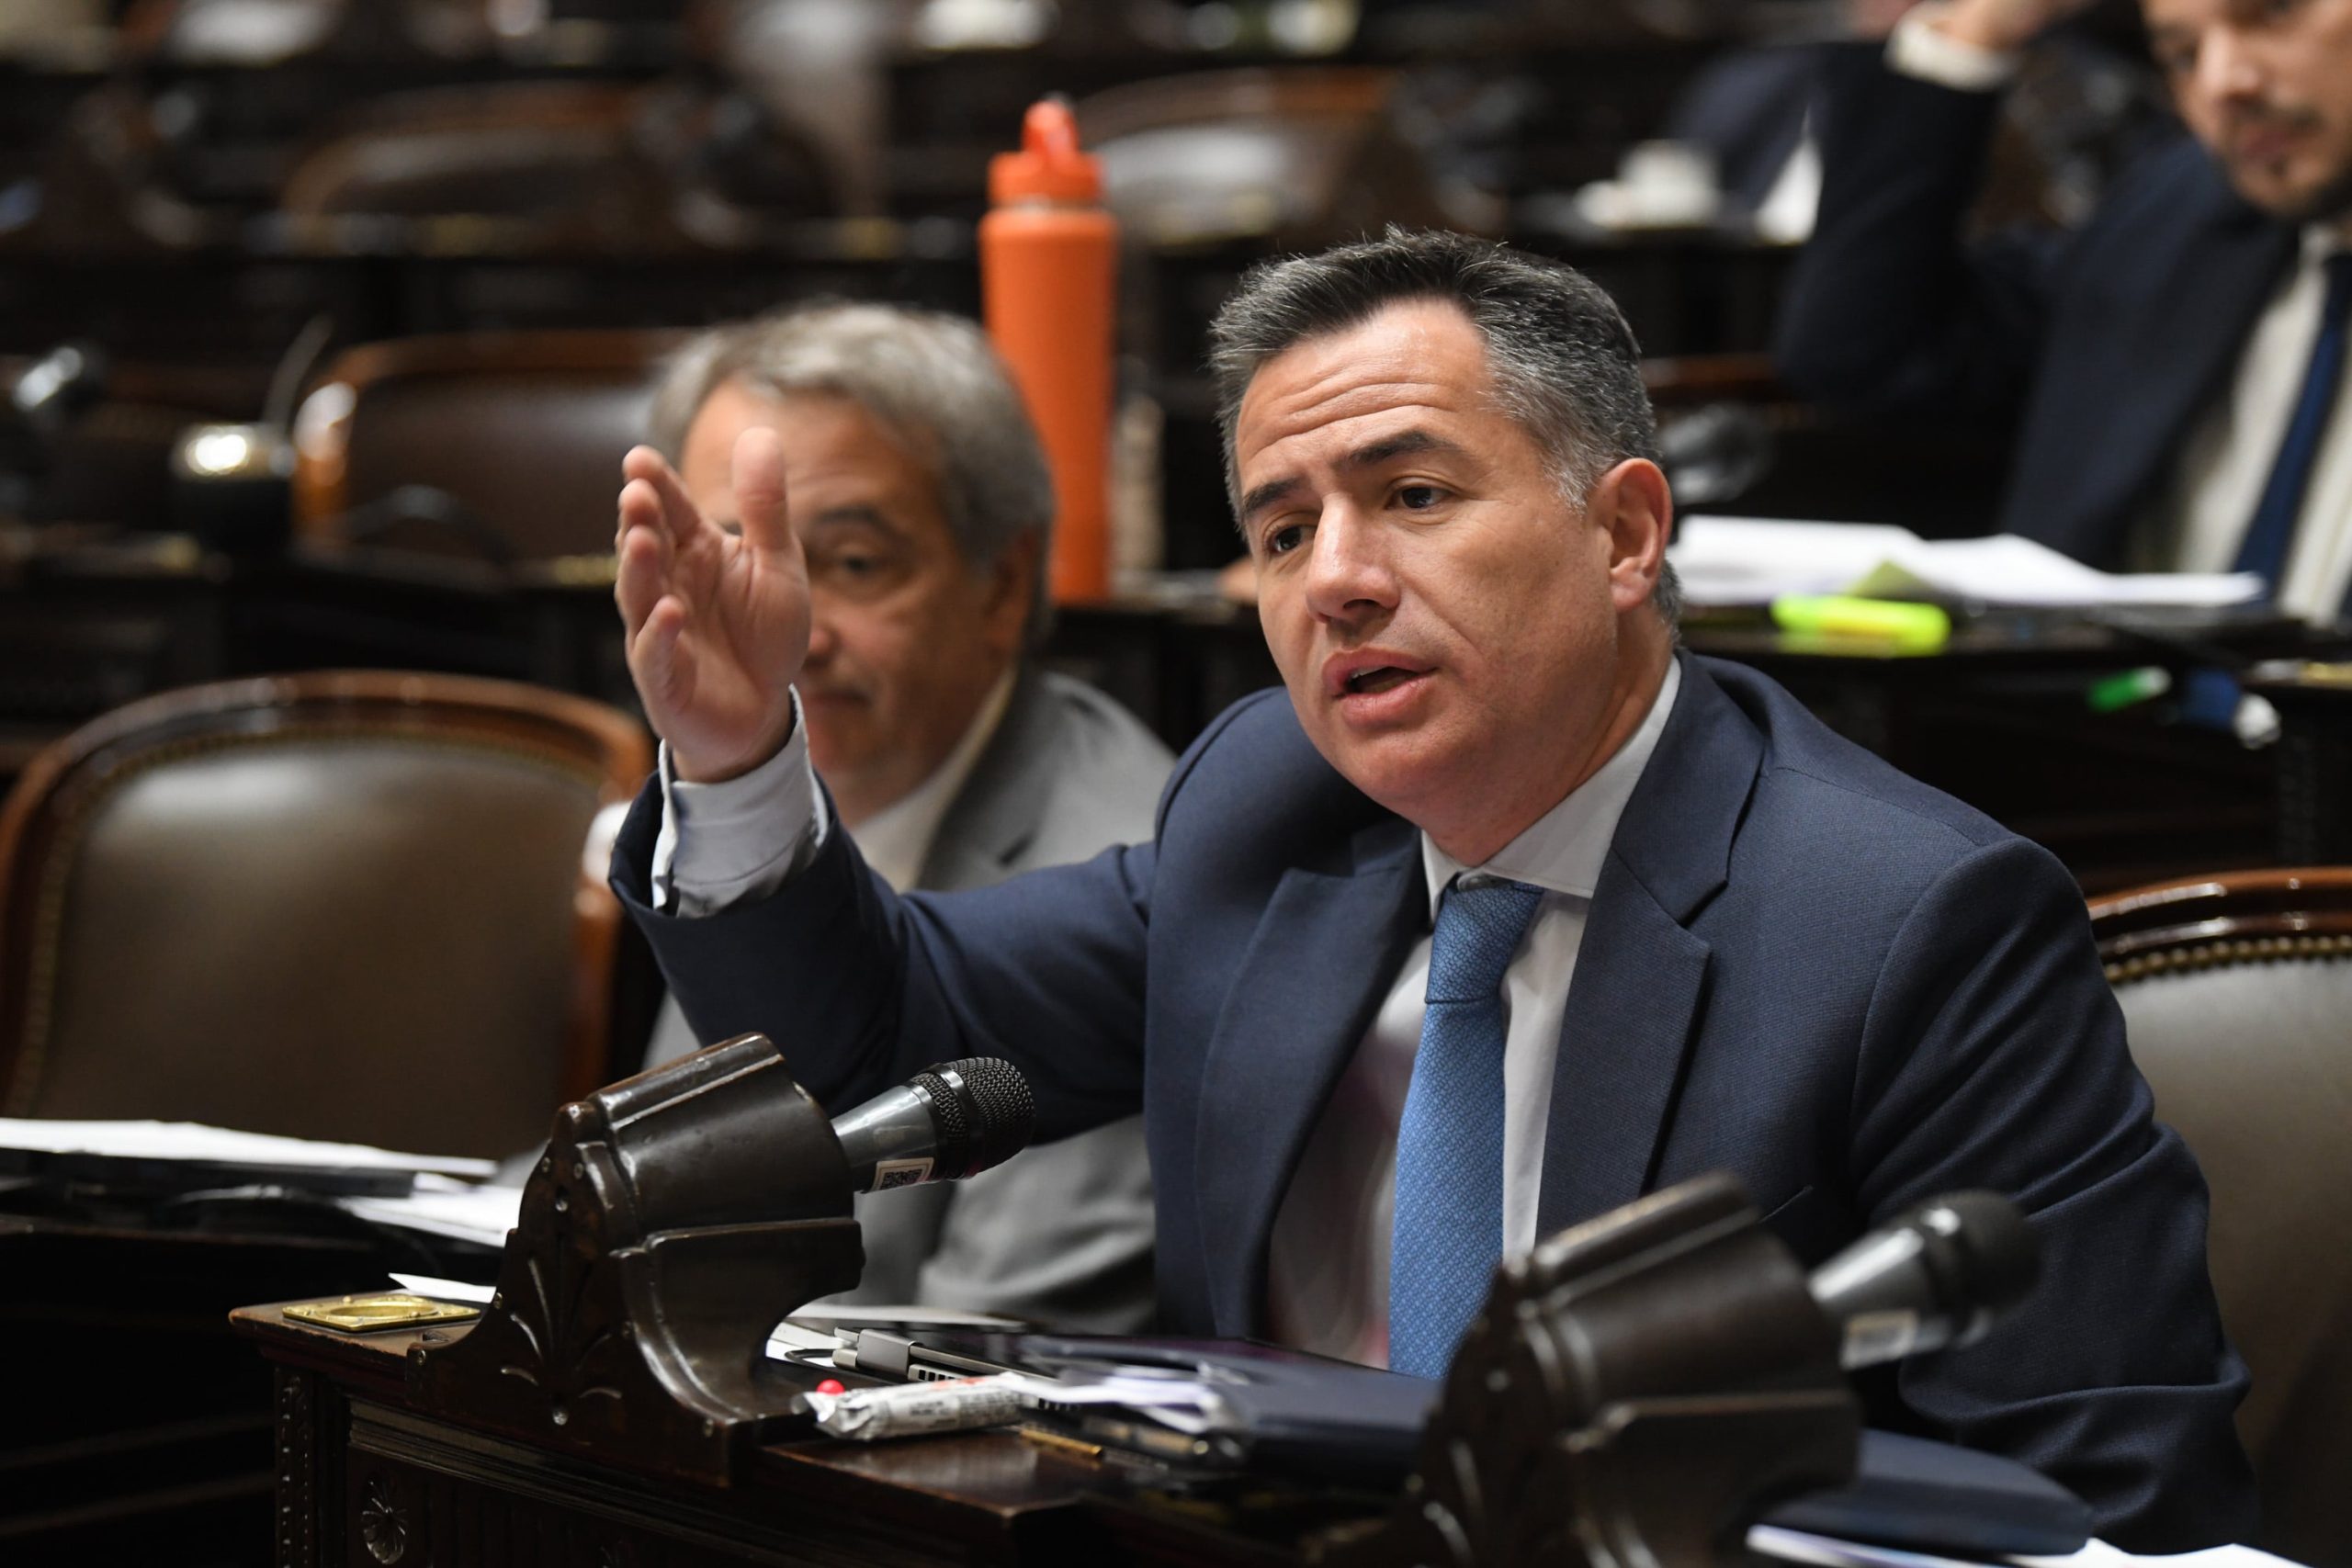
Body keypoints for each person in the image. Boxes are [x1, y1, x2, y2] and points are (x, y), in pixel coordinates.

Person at [609, 231, 2252, 1550]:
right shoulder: (1271, 812)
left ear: (1624, 535)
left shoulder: (1909, 924)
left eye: (1412, 495)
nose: (1336, 577)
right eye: (1279, 526)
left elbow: (2110, 1505)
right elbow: (877, 1028)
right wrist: (743, 750)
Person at [631, 301, 1170, 1331]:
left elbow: (1007, 1345)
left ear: (1002, 584)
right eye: (731, 565)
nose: (786, 631)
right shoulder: (736, 820)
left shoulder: (1124, 874)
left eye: (852, 564)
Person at [1777, 0, 2352, 624]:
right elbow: (1862, 354)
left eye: (2272, 16)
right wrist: (1976, 34)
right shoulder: (2178, 221)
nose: (2222, 83)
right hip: (2110, 714)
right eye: (2182, 56)